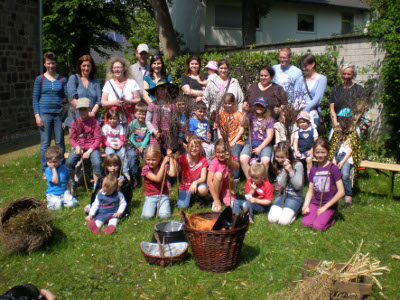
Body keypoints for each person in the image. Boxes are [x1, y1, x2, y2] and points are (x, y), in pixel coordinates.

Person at [32, 51, 67, 179]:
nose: (50, 66)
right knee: (45, 143)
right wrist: (37, 115)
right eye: (48, 63)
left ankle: (60, 168)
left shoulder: (62, 79)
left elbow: (65, 99)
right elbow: (35, 99)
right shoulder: (39, 79)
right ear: (44, 64)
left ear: (55, 63)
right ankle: (45, 170)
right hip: (44, 114)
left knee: (60, 143)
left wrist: (65, 118)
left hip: (58, 115)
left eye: (52, 63)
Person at [302, 138, 345, 231]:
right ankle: (319, 216)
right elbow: (310, 190)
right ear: (314, 153)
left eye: (323, 152)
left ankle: (331, 219)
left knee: (317, 226)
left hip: (328, 204)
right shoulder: (313, 169)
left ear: (328, 152)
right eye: (317, 152)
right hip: (315, 202)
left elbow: (341, 192)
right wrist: (305, 205)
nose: (320, 155)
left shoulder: (333, 169)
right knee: (306, 223)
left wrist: (325, 207)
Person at [66, 98, 102, 192]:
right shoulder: (75, 122)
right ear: (77, 110)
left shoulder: (94, 122)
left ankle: (96, 185)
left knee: (97, 162)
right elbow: (72, 138)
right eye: (80, 109)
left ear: (89, 109)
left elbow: (98, 139)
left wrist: (90, 151)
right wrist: (76, 146)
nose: (83, 111)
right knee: (69, 162)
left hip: (92, 148)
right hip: (80, 147)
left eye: (85, 109)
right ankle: (72, 183)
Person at [329, 108, 361, 205]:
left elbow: (352, 148)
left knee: (345, 174)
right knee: (332, 172)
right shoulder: (336, 130)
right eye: (341, 119)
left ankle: (348, 194)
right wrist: (333, 158)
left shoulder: (354, 131)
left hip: (347, 156)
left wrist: (343, 161)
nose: (342, 122)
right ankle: (333, 192)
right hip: (337, 154)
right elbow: (333, 145)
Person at [268, 142, 304, 225]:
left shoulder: (298, 165)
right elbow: (281, 184)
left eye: (282, 157)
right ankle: (285, 211)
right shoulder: (278, 165)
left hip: (294, 197)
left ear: (288, 156)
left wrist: (290, 171)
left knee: (283, 221)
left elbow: (297, 186)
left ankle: (296, 211)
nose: (279, 159)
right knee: (272, 219)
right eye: (277, 157)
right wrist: (284, 170)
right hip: (282, 195)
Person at [240, 96, 274, 179]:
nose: (259, 108)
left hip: (264, 143)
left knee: (265, 161)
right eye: (257, 105)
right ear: (254, 106)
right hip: (251, 142)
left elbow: (270, 136)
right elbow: (242, 123)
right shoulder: (251, 116)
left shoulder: (269, 120)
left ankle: (263, 182)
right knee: (243, 159)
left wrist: (260, 148)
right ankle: (250, 180)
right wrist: (245, 112)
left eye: (262, 106)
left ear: (266, 107)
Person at [101, 57, 141, 125]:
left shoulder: (132, 82)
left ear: (124, 69)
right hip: (112, 119)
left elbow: (138, 99)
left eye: (119, 67)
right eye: (115, 68)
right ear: (112, 70)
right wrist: (115, 103)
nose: (117, 70)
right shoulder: (108, 84)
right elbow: (103, 103)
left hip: (129, 118)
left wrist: (128, 102)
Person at [215, 93, 244, 183]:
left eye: (230, 103)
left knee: (234, 156)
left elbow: (241, 129)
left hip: (236, 141)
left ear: (234, 103)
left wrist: (234, 140)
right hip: (224, 140)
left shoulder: (239, 114)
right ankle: (221, 175)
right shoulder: (220, 114)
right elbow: (218, 127)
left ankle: (235, 178)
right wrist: (220, 138)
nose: (228, 106)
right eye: (226, 103)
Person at [66, 54, 101, 128]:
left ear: (92, 67)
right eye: (84, 66)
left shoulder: (95, 81)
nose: (86, 68)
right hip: (77, 119)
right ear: (80, 66)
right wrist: (84, 113)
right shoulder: (73, 78)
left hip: (92, 120)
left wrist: (92, 113)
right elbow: (72, 98)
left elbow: (99, 100)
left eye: (88, 66)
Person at [141, 146, 177, 219]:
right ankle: (153, 207)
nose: (151, 162)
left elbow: (173, 174)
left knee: (164, 216)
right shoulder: (145, 169)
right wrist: (164, 163)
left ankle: (158, 207)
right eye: (148, 159)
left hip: (163, 195)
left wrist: (171, 158)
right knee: (147, 216)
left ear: (159, 158)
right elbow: (157, 179)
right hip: (151, 196)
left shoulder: (162, 165)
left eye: (153, 159)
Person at [293, 54, 327, 127]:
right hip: (299, 116)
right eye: (303, 66)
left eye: (306, 66)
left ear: (313, 64)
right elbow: (295, 95)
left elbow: (317, 98)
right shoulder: (300, 79)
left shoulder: (321, 79)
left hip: (312, 115)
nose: (304, 68)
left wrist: (305, 110)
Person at [177, 136, 209, 209]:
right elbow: (176, 171)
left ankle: (200, 197)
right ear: (187, 148)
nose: (194, 149)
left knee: (203, 189)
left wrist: (195, 182)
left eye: (197, 146)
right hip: (186, 185)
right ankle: (191, 197)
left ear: (200, 148)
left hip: (198, 184)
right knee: (182, 206)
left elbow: (203, 177)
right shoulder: (182, 158)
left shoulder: (203, 160)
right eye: (191, 146)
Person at [330, 63, 366, 129]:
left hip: (353, 125)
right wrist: (336, 125)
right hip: (338, 124)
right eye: (344, 73)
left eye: (349, 74)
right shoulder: (335, 89)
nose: (346, 76)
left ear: (353, 75)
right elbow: (332, 109)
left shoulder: (359, 89)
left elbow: (360, 109)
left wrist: (352, 125)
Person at [145, 81, 179, 150]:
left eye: (163, 89)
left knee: (168, 154)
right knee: (156, 154)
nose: (161, 92)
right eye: (159, 90)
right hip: (156, 134)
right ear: (156, 92)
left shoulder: (172, 105)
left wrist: (171, 128)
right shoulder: (152, 105)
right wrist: (154, 131)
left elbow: (175, 120)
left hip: (169, 135)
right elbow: (147, 121)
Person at [207, 139, 239, 212]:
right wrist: (216, 199)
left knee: (232, 204)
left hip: (226, 187)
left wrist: (230, 161)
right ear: (215, 152)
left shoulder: (232, 158)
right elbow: (209, 181)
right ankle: (216, 200)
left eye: (223, 152)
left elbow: (237, 167)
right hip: (216, 188)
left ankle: (223, 198)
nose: (221, 155)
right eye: (218, 152)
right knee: (218, 175)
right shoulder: (214, 162)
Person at [44, 146, 77, 210]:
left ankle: (64, 201)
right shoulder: (48, 170)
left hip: (63, 192)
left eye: (55, 161)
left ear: (59, 159)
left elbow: (68, 179)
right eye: (50, 162)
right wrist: (53, 169)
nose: (53, 164)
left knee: (71, 204)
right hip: (53, 194)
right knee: (57, 207)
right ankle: (52, 203)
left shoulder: (63, 168)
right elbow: (56, 181)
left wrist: (71, 189)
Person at [126, 102, 150, 186]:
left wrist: (142, 147)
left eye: (144, 114)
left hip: (144, 144)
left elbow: (147, 136)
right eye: (139, 114)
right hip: (132, 145)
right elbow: (130, 137)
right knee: (132, 157)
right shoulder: (132, 124)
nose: (141, 116)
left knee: (147, 156)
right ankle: (134, 176)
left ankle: (146, 175)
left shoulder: (147, 124)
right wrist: (136, 146)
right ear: (135, 114)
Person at [101, 109, 128, 179]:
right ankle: (111, 173)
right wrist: (110, 145)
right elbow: (104, 141)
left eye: (114, 119)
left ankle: (125, 172)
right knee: (111, 155)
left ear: (117, 119)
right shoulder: (106, 127)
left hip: (118, 145)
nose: (112, 121)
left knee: (123, 154)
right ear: (107, 119)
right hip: (109, 145)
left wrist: (120, 145)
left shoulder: (120, 127)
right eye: (110, 119)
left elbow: (122, 138)